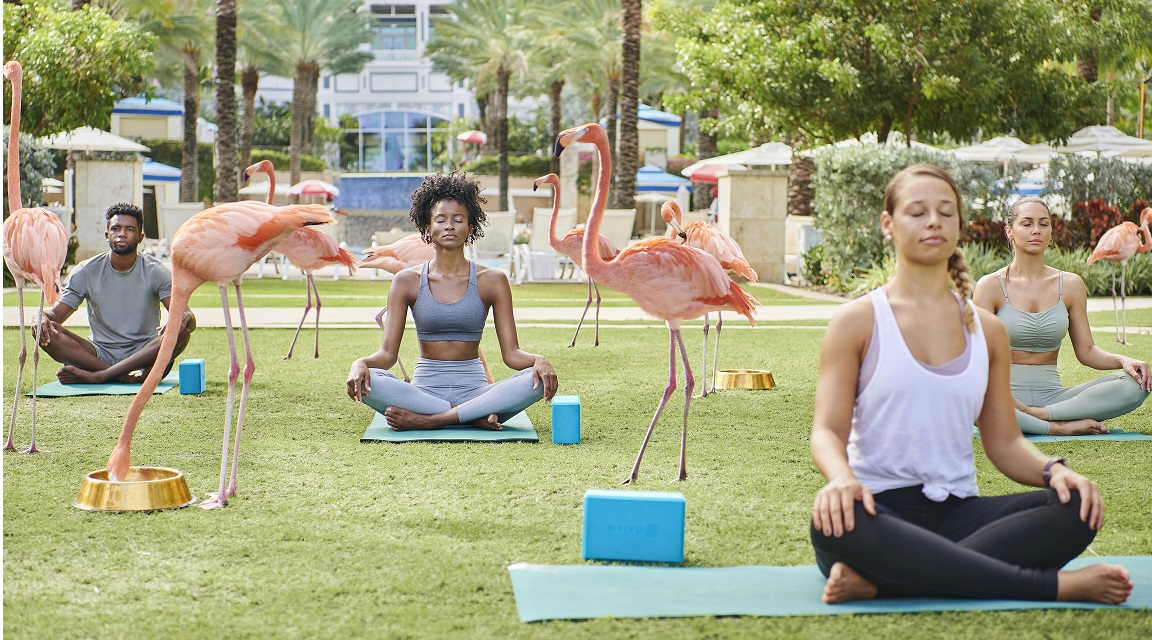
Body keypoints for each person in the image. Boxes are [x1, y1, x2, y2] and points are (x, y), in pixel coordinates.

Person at [809, 164, 1132, 605]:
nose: (933, 222)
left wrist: (1054, 470)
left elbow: (1003, 443)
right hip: (874, 511)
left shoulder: (986, 330)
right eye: (917, 212)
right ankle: (1052, 587)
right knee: (835, 521)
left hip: (959, 511)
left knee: (1075, 507)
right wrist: (841, 479)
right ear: (888, 224)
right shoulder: (856, 322)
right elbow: (827, 431)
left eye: (945, 212)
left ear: (959, 226)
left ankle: (883, 583)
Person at [346, 172, 557, 430]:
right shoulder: (405, 281)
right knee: (372, 381)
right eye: (441, 220)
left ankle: (433, 421)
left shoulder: (493, 280)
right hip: (423, 394)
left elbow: (512, 355)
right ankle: (470, 416)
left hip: (477, 392)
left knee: (532, 382)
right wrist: (360, 363)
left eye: (458, 220)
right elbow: (387, 355)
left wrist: (539, 359)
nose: (449, 226)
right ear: (427, 228)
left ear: (470, 229)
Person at [973, 197, 1151, 435]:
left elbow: (1087, 351)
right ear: (1009, 231)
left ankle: (1039, 417)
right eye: (1027, 224)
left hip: (1056, 400)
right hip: (1001, 395)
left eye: (1043, 223)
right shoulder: (990, 286)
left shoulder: (1070, 285)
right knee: (973, 396)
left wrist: (1123, 361)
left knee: (1136, 384)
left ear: (1050, 231)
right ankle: (1057, 428)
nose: (1036, 230)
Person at [35, 203, 196, 384]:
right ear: (107, 235)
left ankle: (100, 376)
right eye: (116, 228)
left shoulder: (155, 271)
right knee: (46, 331)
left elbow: (188, 317)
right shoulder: (86, 270)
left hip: (144, 353)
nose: (122, 233)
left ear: (140, 237)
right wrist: (40, 316)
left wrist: (183, 318)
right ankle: (123, 376)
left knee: (182, 333)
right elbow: (56, 315)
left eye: (129, 229)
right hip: (99, 353)